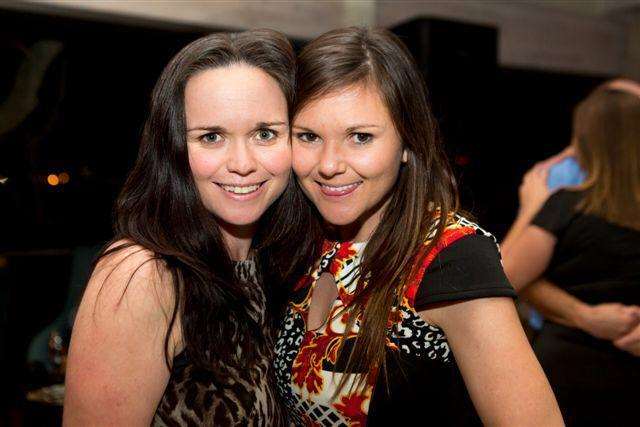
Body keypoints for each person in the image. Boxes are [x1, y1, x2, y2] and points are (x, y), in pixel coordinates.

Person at [273, 27, 562, 426]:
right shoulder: (305, 243)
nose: (328, 164)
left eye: (360, 137)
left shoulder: (450, 256)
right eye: (308, 136)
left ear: (407, 143)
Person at [63, 30, 305, 426]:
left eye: (265, 133)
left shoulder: (273, 262)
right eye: (211, 137)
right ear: (174, 148)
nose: (242, 162)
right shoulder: (144, 275)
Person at [501, 79, 640, 425]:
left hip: (567, 371)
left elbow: (501, 279)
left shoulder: (564, 203)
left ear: (586, 141)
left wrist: (532, 207)